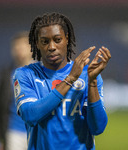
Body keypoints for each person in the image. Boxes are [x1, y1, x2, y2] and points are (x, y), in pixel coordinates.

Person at [13, 12, 111, 150]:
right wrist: (70, 79)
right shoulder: (25, 74)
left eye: (57, 39)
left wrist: (93, 82)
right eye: (45, 41)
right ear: (37, 44)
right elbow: (30, 115)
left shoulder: (87, 75)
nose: (51, 47)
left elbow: (98, 127)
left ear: (67, 39)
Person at [0, 31, 33, 150]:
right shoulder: (6, 74)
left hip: (36, 131)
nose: (19, 49)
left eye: (22, 46)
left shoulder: (41, 73)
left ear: (32, 48)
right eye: (16, 46)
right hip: (13, 133)